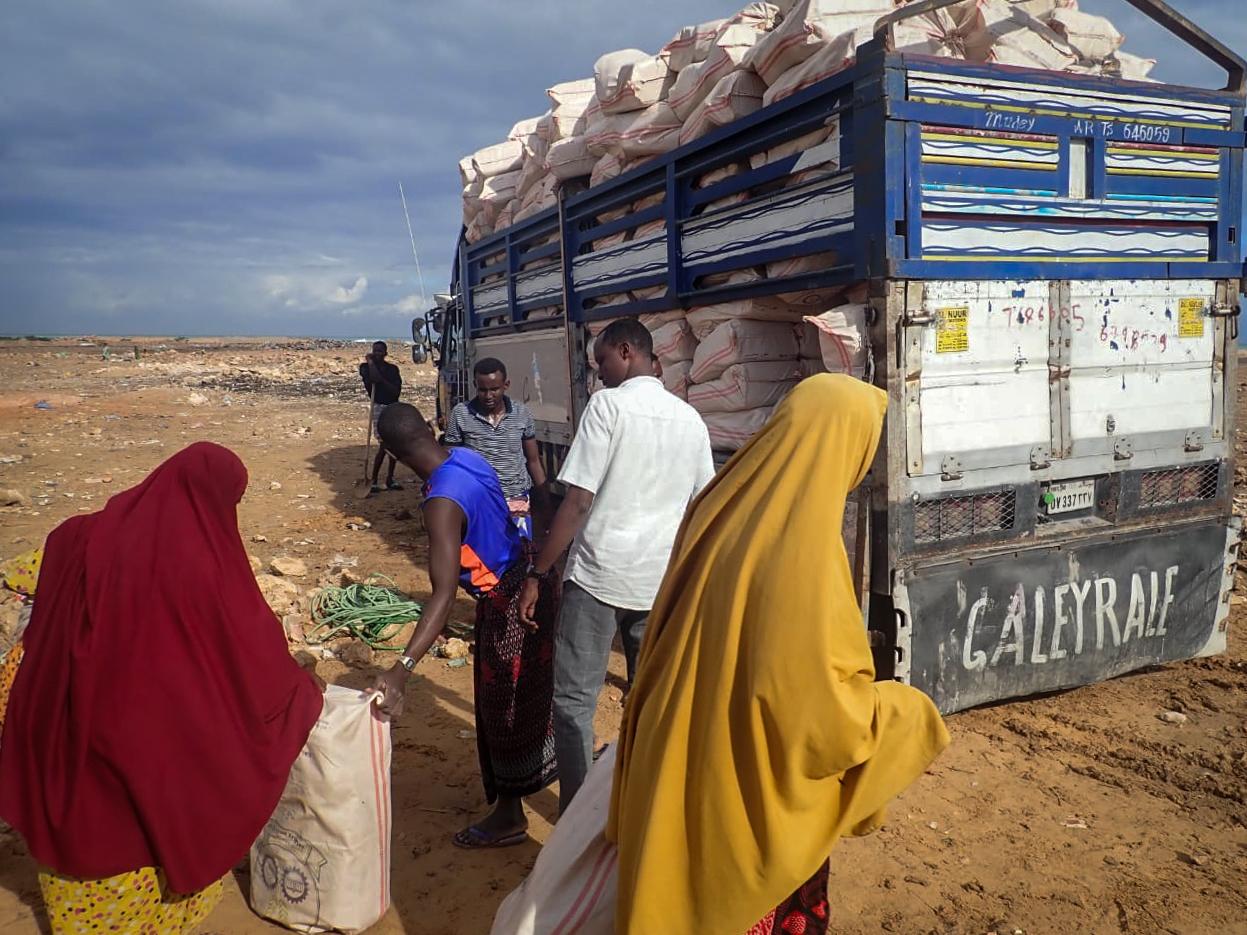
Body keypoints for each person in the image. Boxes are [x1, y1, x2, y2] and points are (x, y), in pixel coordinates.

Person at [606, 374, 951, 933]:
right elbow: (819, 717)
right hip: (742, 808)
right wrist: (907, 715)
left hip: (676, 763)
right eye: (866, 447)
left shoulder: (720, 506)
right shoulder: (807, 548)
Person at [0, 442, 324, 935]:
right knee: (158, 811)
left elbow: (22, 576)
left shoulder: (79, 533)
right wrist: (302, 690)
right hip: (146, 738)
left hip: (62, 721)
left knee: (83, 821)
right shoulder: (205, 566)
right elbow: (248, 655)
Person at [519, 317, 714, 813]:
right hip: (659, 581)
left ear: (625, 352)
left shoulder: (608, 406)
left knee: (573, 706)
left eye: (600, 362)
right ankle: (646, 806)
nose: (597, 374)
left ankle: (577, 818)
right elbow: (702, 507)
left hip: (600, 577)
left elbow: (578, 500)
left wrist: (539, 573)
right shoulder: (689, 419)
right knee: (652, 702)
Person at [371, 403, 560, 849]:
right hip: (533, 581)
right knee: (536, 694)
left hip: (505, 604)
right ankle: (559, 782)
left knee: (501, 711)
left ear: (393, 453)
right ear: (431, 430)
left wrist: (402, 668)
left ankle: (510, 816)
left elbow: (442, 594)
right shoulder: (468, 459)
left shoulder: (440, 502)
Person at [443, 357, 548, 540]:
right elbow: (450, 461)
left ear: (506, 385)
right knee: (486, 551)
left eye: (494, 389)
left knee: (520, 549)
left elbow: (533, 461)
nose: (488, 396)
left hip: (517, 498)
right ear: (475, 385)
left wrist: (545, 502)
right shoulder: (461, 414)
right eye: (482, 390)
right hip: (479, 499)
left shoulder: (522, 413)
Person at [359, 340, 403, 494]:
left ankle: (389, 478)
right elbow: (374, 379)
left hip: (392, 407)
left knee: (394, 445)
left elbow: (395, 391)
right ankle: (375, 479)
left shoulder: (392, 369)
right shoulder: (365, 368)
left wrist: (382, 380)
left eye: (380, 351)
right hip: (377, 406)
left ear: (385, 353)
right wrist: (371, 363)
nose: (377, 354)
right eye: (375, 351)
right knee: (385, 444)